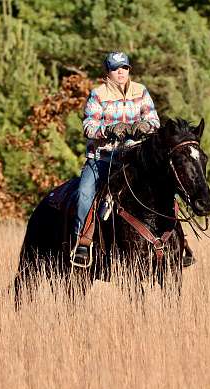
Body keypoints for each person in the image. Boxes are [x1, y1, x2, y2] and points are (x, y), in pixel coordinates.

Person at [72, 51, 160, 264]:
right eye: (115, 68)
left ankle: (180, 242)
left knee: (165, 185)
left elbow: (154, 120)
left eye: (124, 68)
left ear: (129, 69)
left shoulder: (141, 91)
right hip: (103, 158)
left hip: (134, 159)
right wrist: (108, 130)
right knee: (84, 193)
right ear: (108, 72)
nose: (120, 72)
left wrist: (146, 125)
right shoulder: (98, 94)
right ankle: (82, 243)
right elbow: (88, 126)